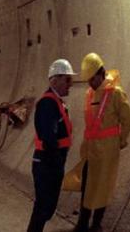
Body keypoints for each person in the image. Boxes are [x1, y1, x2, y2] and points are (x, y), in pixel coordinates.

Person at [73, 53, 130, 232]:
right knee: (87, 186)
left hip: (107, 151)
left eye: (92, 78)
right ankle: (82, 224)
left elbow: (127, 120)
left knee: (102, 186)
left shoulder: (115, 93)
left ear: (101, 73)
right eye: (88, 80)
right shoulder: (89, 94)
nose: (90, 83)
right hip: (91, 150)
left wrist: (121, 141)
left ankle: (96, 225)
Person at [27, 59, 76, 232]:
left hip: (51, 163)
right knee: (43, 208)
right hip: (47, 164)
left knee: (46, 208)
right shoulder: (48, 103)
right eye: (67, 80)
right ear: (55, 79)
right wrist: (57, 163)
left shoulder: (57, 101)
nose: (70, 84)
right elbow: (49, 137)